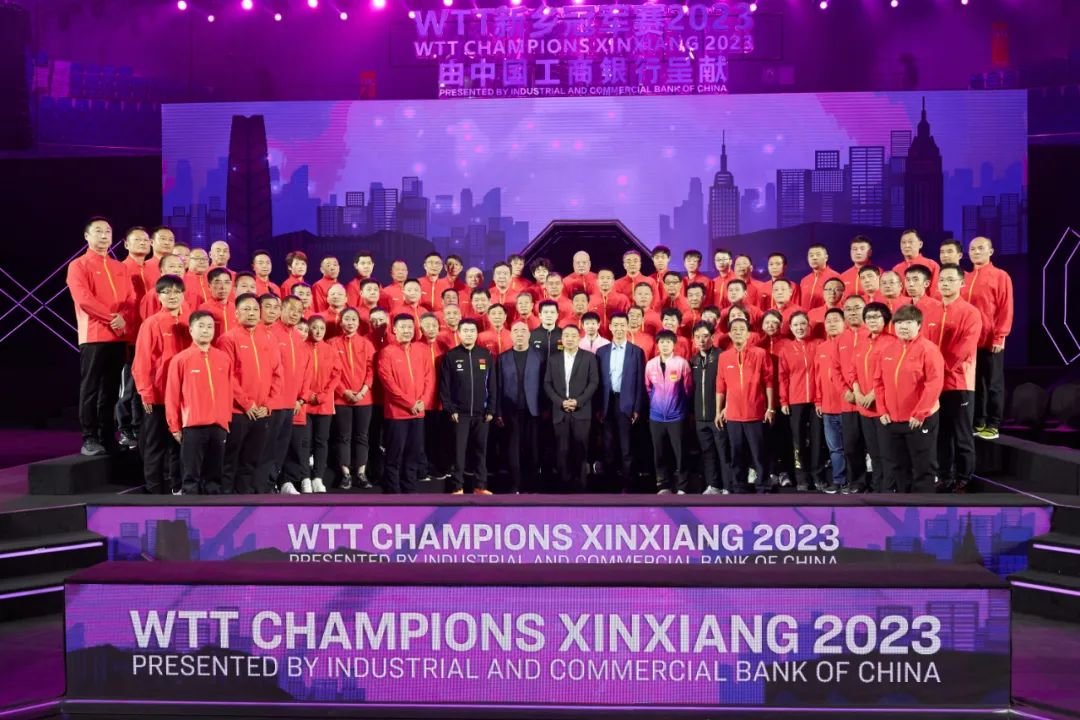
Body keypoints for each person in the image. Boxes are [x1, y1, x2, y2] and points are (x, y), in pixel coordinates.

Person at [67, 217, 137, 456]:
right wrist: (112, 319)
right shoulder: (78, 265)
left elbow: (131, 299)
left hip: (118, 337)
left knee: (111, 389)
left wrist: (122, 319)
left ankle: (107, 436)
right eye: (98, 231)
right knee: (91, 389)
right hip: (94, 335)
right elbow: (84, 299)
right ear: (87, 236)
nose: (104, 235)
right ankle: (89, 437)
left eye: (108, 231)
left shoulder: (120, 267)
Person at [874, 304, 945, 493]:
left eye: (908, 322)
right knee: (896, 466)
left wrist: (920, 413)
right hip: (892, 420)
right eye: (899, 322)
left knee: (923, 465)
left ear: (919, 325)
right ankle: (901, 504)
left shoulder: (928, 350)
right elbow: (878, 382)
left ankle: (924, 505)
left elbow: (934, 383)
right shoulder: (887, 350)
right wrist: (882, 410)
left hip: (919, 420)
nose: (903, 326)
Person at [218, 293, 283, 494]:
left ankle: (244, 498)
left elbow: (277, 373)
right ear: (236, 313)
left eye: (255, 309)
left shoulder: (268, 338)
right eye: (246, 309)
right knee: (230, 459)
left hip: (262, 411)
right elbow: (227, 376)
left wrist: (268, 405)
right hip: (238, 412)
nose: (252, 313)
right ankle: (225, 501)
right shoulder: (228, 339)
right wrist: (247, 404)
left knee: (251, 459)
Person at [132, 274, 190, 493]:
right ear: (158, 296)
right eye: (167, 292)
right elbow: (141, 362)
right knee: (156, 444)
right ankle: (154, 489)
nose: (172, 296)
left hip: (184, 396)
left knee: (179, 444)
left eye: (177, 292)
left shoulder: (190, 322)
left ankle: (177, 487)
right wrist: (146, 392)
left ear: (183, 295)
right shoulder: (151, 323)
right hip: (158, 394)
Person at [165, 311, 233, 495]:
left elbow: (228, 391)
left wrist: (226, 420)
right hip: (193, 426)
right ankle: (190, 507)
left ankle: (213, 508)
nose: (206, 330)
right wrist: (174, 426)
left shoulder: (223, 359)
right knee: (191, 476)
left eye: (210, 327)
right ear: (191, 330)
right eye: (201, 326)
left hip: (219, 425)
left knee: (214, 477)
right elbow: (172, 395)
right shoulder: (180, 360)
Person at [935, 264, 983, 492]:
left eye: (950, 279)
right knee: (941, 434)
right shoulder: (931, 311)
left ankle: (964, 478)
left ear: (962, 283)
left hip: (959, 383)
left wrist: (940, 368)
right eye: (942, 280)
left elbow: (965, 347)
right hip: (935, 385)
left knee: (962, 435)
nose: (945, 284)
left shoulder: (970, 312)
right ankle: (944, 476)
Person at [715, 318, 775, 493]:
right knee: (736, 453)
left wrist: (770, 408)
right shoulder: (724, 357)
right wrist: (718, 411)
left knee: (759, 453)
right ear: (729, 333)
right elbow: (720, 386)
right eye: (734, 329)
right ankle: (738, 486)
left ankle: (763, 485)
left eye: (742, 329)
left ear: (748, 334)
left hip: (755, 412)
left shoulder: (760, 354)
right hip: (733, 415)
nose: (738, 332)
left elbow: (769, 382)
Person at [378, 314, 433, 494]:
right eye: (403, 327)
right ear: (394, 329)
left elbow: (429, 378)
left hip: (418, 412)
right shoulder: (387, 352)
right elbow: (388, 383)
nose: (407, 330)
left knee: (414, 452)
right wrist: (410, 403)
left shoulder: (422, 350)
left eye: (410, 327)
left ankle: (410, 489)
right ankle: (393, 491)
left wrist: (423, 401)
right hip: (396, 413)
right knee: (395, 454)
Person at [440, 319, 496, 495]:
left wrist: (491, 409)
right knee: (459, 453)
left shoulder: (486, 355)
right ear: (459, 333)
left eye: (472, 330)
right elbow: (445, 387)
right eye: (465, 330)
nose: (469, 334)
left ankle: (481, 486)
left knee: (481, 451)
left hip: (482, 414)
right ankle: (457, 487)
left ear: (477, 333)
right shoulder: (451, 356)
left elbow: (492, 384)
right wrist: (450, 409)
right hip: (460, 414)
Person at [966, 236, 1013, 440]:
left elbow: (1005, 308)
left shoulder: (1000, 276)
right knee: (976, 383)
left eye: (980, 248)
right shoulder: (965, 278)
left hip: (991, 339)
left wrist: (999, 336)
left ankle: (993, 424)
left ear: (991, 252)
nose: (976, 252)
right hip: (970, 342)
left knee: (993, 383)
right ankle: (979, 421)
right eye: (972, 249)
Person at [847, 302, 898, 492]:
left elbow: (890, 374)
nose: (872, 320)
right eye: (868, 317)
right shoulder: (861, 343)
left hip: (884, 407)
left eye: (877, 317)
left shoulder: (892, 342)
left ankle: (888, 490)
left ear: (885, 319)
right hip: (864, 407)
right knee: (874, 452)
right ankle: (877, 488)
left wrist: (873, 394)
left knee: (888, 452)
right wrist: (857, 392)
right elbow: (852, 371)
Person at [543, 324, 599, 491]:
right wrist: (560, 402)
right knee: (562, 450)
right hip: (560, 411)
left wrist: (578, 401)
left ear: (579, 338)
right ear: (562, 338)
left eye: (573, 336)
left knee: (580, 450)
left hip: (581, 411)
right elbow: (547, 384)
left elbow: (593, 383)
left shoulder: (589, 357)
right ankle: (564, 488)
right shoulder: (553, 359)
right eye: (566, 335)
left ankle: (581, 488)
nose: (569, 339)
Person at [596, 313, 646, 492]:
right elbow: (598, 382)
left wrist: (637, 408)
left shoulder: (636, 351)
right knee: (608, 447)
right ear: (610, 327)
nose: (618, 328)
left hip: (626, 403)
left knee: (626, 448)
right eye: (615, 325)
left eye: (622, 325)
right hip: (607, 403)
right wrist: (598, 407)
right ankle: (610, 486)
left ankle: (628, 487)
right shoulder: (601, 352)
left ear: (627, 327)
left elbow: (639, 383)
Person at [265, 296, 311, 495]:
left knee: (284, 446)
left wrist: (301, 398)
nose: (295, 314)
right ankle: (267, 485)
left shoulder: (298, 338)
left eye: (299, 311)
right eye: (291, 309)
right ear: (281, 309)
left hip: (292, 403)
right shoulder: (271, 333)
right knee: (270, 447)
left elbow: (305, 371)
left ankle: (280, 482)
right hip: (274, 402)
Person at [495, 321, 544, 494]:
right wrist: (498, 412)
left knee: (533, 450)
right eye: (516, 330)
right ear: (511, 335)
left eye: (524, 330)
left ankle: (532, 486)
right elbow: (498, 386)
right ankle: (515, 485)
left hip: (534, 410)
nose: (520, 333)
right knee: (513, 450)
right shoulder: (502, 358)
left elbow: (544, 385)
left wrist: (544, 409)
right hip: (511, 411)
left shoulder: (539, 357)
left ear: (529, 335)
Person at [331, 307, 375, 490]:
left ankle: (361, 473)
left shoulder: (366, 344)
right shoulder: (332, 343)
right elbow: (331, 372)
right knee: (343, 437)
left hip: (364, 398)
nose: (350, 322)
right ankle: (346, 474)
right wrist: (344, 392)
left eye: (353, 319)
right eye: (347, 319)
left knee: (362, 436)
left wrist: (363, 391)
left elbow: (371, 370)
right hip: (342, 399)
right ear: (341, 322)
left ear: (358, 322)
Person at [778, 312, 823, 492]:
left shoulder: (818, 345)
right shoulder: (786, 349)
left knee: (817, 439)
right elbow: (782, 377)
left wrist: (820, 399)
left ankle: (818, 476)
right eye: (796, 325)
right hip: (795, 401)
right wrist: (784, 401)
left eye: (803, 324)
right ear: (790, 328)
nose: (800, 328)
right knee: (798, 440)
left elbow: (821, 374)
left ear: (808, 325)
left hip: (816, 401)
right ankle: (802, 477)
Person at [117, 227, 154, 448]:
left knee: (145, 386)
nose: (142, 242)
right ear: (126, 244)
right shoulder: (120, 269)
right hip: (130, 338)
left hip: (151, 337)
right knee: (128, 387)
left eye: (145, 239)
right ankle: (125, 429)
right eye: (137, 239)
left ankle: (141, 429)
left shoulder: (154, 269)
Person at [645, 330, 693, 494]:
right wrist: (655, 405)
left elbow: (688, 390)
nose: (665, 345)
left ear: (674, 345)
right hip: (656, 417)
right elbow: (648, 388)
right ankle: (663, 485)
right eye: (662, 342)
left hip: (677, 416)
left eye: (668, 342)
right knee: (659, 452)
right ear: (657, 345)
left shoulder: (682, 364)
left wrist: (681, 408)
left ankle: (682, 486)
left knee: (680, 453)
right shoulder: (650, 365)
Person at [690, 322, 733, 494]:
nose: (701, 340)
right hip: (700, 417)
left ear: (712, 337)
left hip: (719, 416)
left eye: (705, 336)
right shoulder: (693, 360)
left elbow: (730, 385)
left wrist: (725, 408)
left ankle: (728, 486)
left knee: (724, 452)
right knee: (707, 453)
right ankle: (713, 485)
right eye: (698, 337)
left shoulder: (722, 356)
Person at [835, 294, 871, 492]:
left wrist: (870, 393)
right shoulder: (840, 338)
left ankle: (881, 483)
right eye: (848, 309)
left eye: (857, 308)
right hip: (849, 402)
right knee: (851, 446)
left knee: (876, 446)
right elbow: (834, 369)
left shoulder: (873, 334)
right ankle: (857, 482)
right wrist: (845, 390)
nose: (853, 312)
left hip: (872, 402)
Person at [815, 309, 849, 493]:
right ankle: (839, 480)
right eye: (828, 321)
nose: (832, 323)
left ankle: (854, 481)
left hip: (848, 406)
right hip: (828, 408)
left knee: (851, 447)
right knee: (835, 449)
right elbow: (817, 377)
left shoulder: (850, 344)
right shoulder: (821, 348)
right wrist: (818, 401)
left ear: (844, 323)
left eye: (836, 320)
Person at [305, 315, 339, 493]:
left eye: (322, 328)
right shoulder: (302, 347)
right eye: (314, 327)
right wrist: (308, 394)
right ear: (308, 329)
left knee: (321, 441)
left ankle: (318, 477)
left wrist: (323, 395)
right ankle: (304, 477)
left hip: (324, 403)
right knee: (305, 442)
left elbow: (336, 375)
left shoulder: (330, 350)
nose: (318, 331)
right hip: (304, 402)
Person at [281, 317, 314, 493]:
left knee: (296, 445)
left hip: (298, 407)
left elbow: (307, 379)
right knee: (279, 445)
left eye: (305, 330)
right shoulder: (281, 345)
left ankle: (290, 481)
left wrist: (301, 399)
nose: (302, 333)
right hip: (281, 404)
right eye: (299, 329)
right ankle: (276, 482)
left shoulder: (306, 351)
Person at [894, 229, 941, 299]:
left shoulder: (932, 265)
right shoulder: (896, 269)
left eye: (910, 242)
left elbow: (935, 293)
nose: (907, 245)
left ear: (920, 244)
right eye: (903, 242)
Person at [904, 265, 944, 336]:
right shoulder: (902, 307)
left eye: (915, 280)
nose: (910, 284)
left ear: (926, 283)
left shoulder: (938, 307)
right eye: (908, 280)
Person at [800, 244, 842, 310]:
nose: (814, 258)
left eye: (818, 254)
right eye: (811, 255)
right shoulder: (804, 280)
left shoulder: (836, 277)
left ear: (826, 258)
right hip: (805, 316)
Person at [199, 268, 235, 340]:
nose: (223, 287)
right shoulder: (204, 309)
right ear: (209, 286)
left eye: (227, 282)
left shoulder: (235, 308)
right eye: (218, 282)